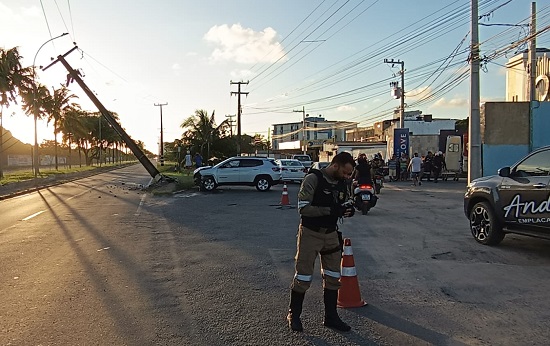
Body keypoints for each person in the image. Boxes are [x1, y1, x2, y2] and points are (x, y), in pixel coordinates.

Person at [288, 152, 356, 333]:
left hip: (331, 235)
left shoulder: (342, 182)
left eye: (349, 174)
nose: (347, 176)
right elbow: (303, 209)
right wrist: (331, 210)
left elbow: (347, 200)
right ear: (335, 165)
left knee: (334, 277)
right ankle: (294, 315)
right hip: (311, 234)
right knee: (303, 277)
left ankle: (331, 317)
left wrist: (349, 209)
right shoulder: (313, 179)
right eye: (345, 172)